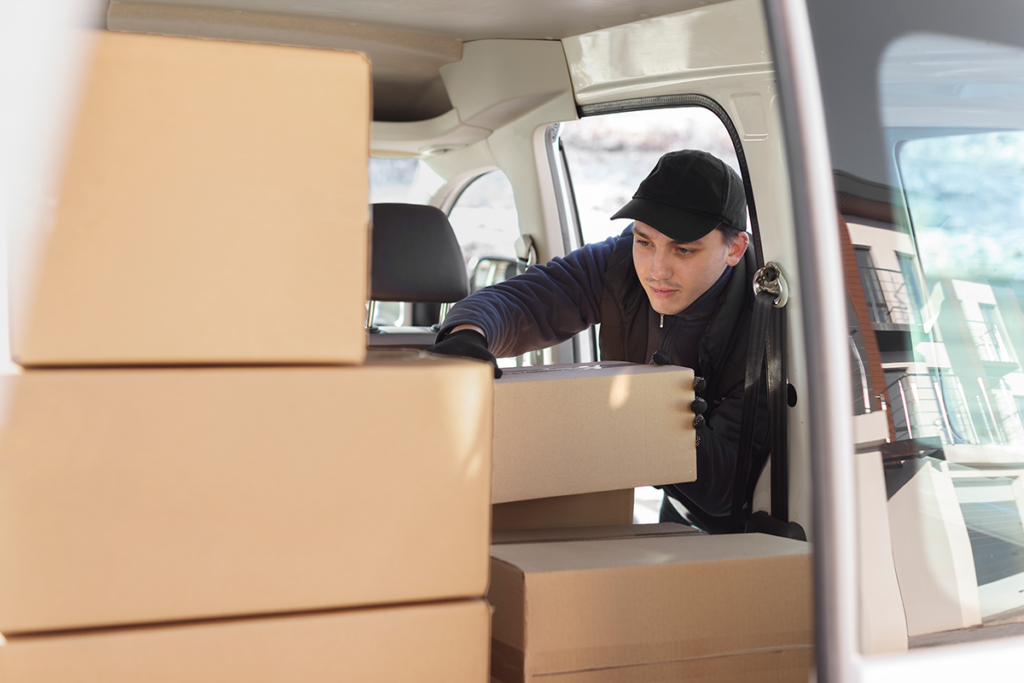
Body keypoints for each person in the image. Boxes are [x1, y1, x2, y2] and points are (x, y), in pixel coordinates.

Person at [426, 149, 769, 533]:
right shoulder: (620, 265)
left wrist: (661, 420)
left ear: (735, 249)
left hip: (747, 528)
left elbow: (727, 488)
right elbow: (530, 297)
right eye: (645, 242)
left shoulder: (764, 323)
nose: (656, 270)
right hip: (674, 506)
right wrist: (468, 333)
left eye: (683, 249)